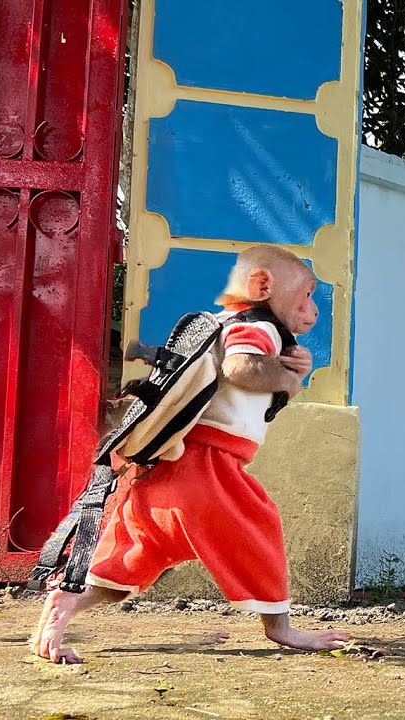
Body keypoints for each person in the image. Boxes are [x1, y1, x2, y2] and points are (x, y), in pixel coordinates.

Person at [30, 245, 350, 664]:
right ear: (263, 285)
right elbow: (240, 367)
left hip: (166, 468)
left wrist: (291, 367)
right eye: (306, 294)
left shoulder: (224, 323)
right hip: (208, 463)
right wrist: (288, 380)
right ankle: (280, 628)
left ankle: (64, 604)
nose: (313, 308)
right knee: (260, 524)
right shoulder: (260, 326)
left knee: (135, 559)